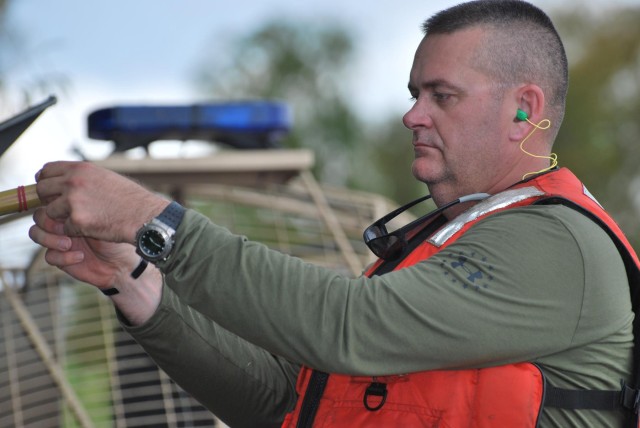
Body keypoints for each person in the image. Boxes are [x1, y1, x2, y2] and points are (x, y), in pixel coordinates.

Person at [28, 1, 640, 427]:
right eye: (413, 94)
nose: (413, 116)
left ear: (523, 110)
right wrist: (136, 284)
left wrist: (152, 220)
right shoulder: (458, 236)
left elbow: (345, 326)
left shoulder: (557, 242)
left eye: (442, 96)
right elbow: (283, 405)